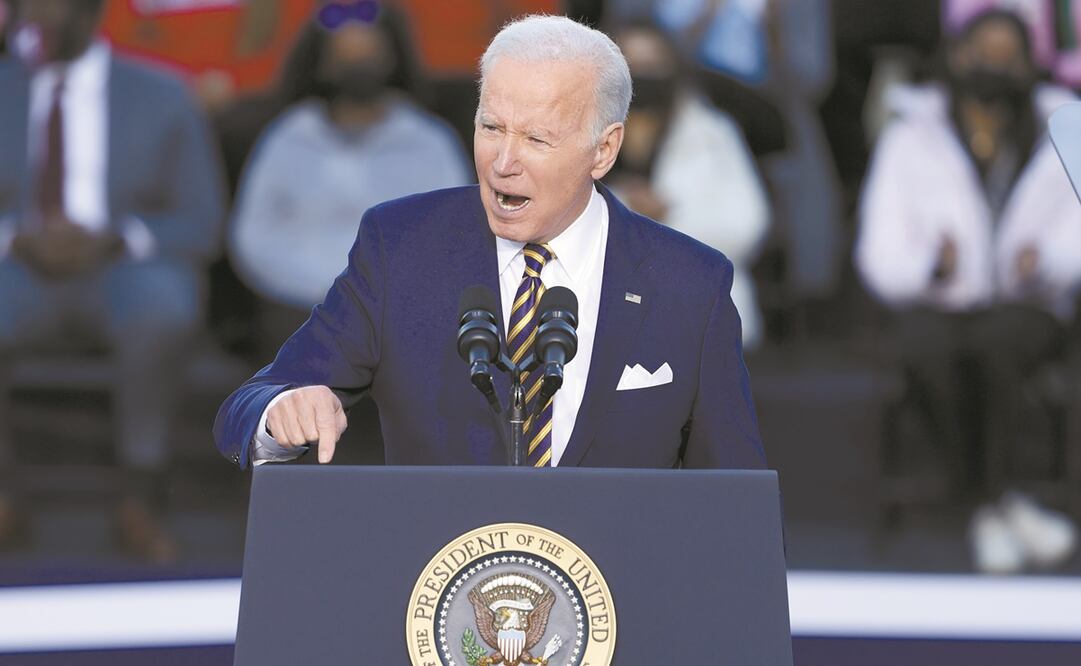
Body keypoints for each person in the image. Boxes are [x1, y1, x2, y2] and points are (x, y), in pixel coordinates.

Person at [214, 14, 765, 472]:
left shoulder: (689, 282)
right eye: (492, 128)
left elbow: (735, 498)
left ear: (604, 150)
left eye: (536, 138)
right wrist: (283, 410)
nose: (503, 163)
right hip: (435, 589)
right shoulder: (401, 249)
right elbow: (250, 405)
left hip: (621, 598)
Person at [856, 10, 1081, 574]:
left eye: (1010, 55)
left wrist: (1046, 258)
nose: (996, 66)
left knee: (998, 343)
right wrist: (932, 264)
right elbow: (879, 249)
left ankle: (986, 501)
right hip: (940, 302)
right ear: (958, 56)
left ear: (1031, 63)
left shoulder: (1066, 126)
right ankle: (999, 502)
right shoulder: (913, 133)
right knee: (930, 347)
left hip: (1028, 302)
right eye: (985, 51)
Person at [0, 0, 225, 559]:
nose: (32, 19)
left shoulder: (163, 94)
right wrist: (16, 237)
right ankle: (4, 494)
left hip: (128, 264)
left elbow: (201, 219)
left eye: (46, 7)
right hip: (20, 266)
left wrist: (118, 237)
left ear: (89, 12)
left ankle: (141, 496)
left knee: (163, 309)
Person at [228, 5, 471, 346]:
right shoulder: (287, 138)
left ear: (391, 59)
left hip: (401, 311)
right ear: (322, 64)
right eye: (346, 58)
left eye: (369, 56)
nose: (358, 68)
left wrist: (386, 295)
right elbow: (253, 236)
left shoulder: (428, 141)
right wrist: (317, 290)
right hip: (299, 308)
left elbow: (455, 234)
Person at [606, 21, 770, 349]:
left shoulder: (711, 133)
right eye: (629, 68)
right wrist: (621, 204)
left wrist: (666, 215)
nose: (642, 82)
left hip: (699, 326)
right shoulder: (580, 136)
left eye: (653, 68)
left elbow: (748, 224)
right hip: (606, 331)